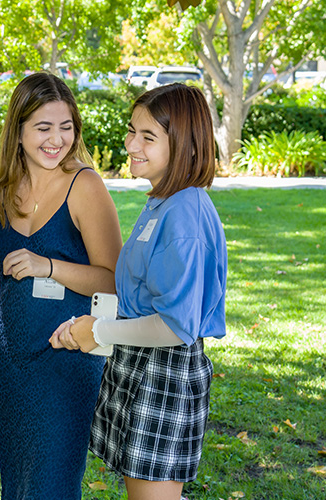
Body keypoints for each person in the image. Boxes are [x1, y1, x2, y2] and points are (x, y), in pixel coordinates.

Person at [50, 83, 227, 500]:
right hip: (140, 366)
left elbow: (174, 326)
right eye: (132, 131)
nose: (131, 144)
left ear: (184, 143)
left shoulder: (185, 212)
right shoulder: (163, 202)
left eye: (148, 137)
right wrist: (93, 328)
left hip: (163, 372)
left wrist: (100, 332)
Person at [0, 72, 123, 499]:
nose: (57, 140)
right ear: (18, 131)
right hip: (8, 362)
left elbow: (113, 279)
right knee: (17, 484)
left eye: (66, 127)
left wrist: (48, 266)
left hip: (67, 361)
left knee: (52, 486)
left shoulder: (84, 185)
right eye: (43, 128)